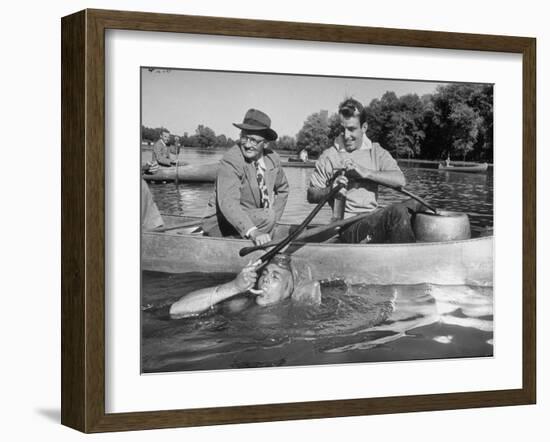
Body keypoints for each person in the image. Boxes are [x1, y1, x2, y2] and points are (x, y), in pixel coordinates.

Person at [307, 98, 417, 244]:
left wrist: (365, 173)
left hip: (372, 219)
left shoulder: (376, 151)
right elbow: (311, 195)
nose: (346, 136)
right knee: (396, 212)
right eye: (342, 129)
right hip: (347, 227)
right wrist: (330, 191)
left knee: (415, 204)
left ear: (364, 127)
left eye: (352, 129)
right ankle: (409, 260)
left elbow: (399, 180)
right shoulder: (329, 156)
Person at [201, 109, 289, 246]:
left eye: (254, 140)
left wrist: (274, 221)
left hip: (257, 219)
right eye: (244, 138)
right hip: (220, 222)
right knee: (268, 216)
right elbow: (228, 203)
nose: (247, 145)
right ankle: (237, 244)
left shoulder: (273, 159)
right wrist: (253, 231)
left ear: (265, 143)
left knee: (270, 216)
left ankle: (257, 240)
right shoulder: (231, 160)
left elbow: (283, 189)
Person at [169, 254, 320, 318]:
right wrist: (234, 287)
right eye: (265, 273)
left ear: (289, 289)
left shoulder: (296, 317)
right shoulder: (240, 304)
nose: (265, 279)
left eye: (275, 277)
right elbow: (176, 310)